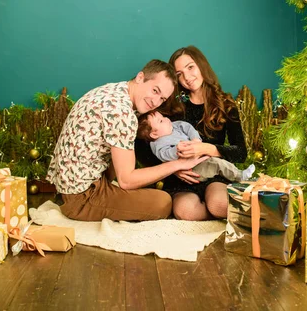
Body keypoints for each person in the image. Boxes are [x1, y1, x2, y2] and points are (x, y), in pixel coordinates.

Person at [47, 59, 208, 222]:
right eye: (155, 90)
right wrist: (177, 165)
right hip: (80, 197)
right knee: (163, 202)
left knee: (123, 157)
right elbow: (126, 181)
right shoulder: (122, 114)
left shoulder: (114, 91)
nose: (155, 102)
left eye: (162, 99)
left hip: (68, 185)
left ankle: (108, 192)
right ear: (140, 77)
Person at [135, 46, 249, 221]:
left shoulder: (225, 104)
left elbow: (241, 152)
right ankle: (210, 217)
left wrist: (206, 148)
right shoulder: (172, 106)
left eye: (190, 67)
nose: (187, 77)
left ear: (201, 65)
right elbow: (142, 145)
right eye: (179, 74)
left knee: (219, 204)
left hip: (213, 173)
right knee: (186, 211)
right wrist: (173, 169)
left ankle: (219, 209)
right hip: (183, 180)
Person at [137, 110, 255, 182]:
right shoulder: (159, 144)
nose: (166, 119)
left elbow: (187, 126)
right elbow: (164, 155)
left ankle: (233, 175)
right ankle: (240, 176)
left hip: (199, 156)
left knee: (218, 162)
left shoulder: (174, 125)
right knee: (217, 164)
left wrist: (195, 139)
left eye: (163, 116)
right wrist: (176, 150)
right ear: (154, 134)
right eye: (161, 121)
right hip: (192, 169)